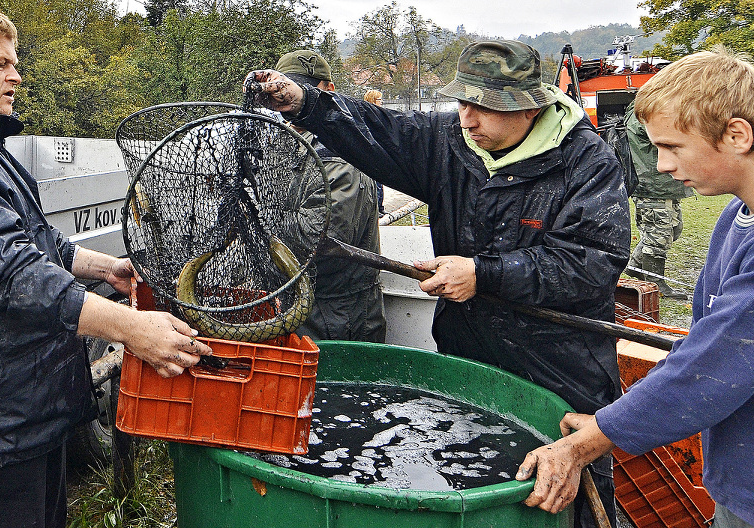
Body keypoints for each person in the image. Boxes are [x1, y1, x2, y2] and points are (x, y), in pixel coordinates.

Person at [248, 40, 631, 528]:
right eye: (463, 102)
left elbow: (592, 263)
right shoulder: (450, 139)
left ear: (531, 105)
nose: (468, 118)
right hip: (468, 357)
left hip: (559, 366)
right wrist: (307, 103)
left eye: (485, 107)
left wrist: (483, 273)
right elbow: (377, 131)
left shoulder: (585, 160)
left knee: (570, 502)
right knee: (473, 484)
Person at [0, 5, 211, 527]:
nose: (17, 75)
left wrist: (102, 267)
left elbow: (35, 240)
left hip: (22, 410)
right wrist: (133, 326)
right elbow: (11, 277)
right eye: (1, 63)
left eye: (15, 62)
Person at [515, 48, 754, 528]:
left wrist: (590, 442)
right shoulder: (739, 216)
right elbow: (702, 339)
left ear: (737, 135)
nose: (664, 165)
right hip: (744, 482)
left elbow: (715, 366)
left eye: (672, 147)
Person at [274, 50, 386, 342]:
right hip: (292, 302)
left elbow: (323, 240)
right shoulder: (280, 141)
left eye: (305, 91)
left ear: (329, 90)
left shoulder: (342, 151)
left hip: (339, 314)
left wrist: (258, 219)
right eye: (284, 92)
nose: (290, 103)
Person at [623, 100, 694, 299]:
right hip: (653, 186)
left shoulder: (647, 113)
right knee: (658, 234)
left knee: (672, 229)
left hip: (663, 185)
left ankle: (635, 267)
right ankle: (655, 283)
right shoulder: (644, 116)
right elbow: (671, 137)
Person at [363, 89, 386, 215]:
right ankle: (376, 210)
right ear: (373, 100)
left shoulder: (378, 114)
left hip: (379, 150)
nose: (381, 102)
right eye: (379, 100)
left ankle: (380, 208)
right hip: (372, 151)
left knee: (379, 183)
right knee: (374, 183)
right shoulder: (369, 114)